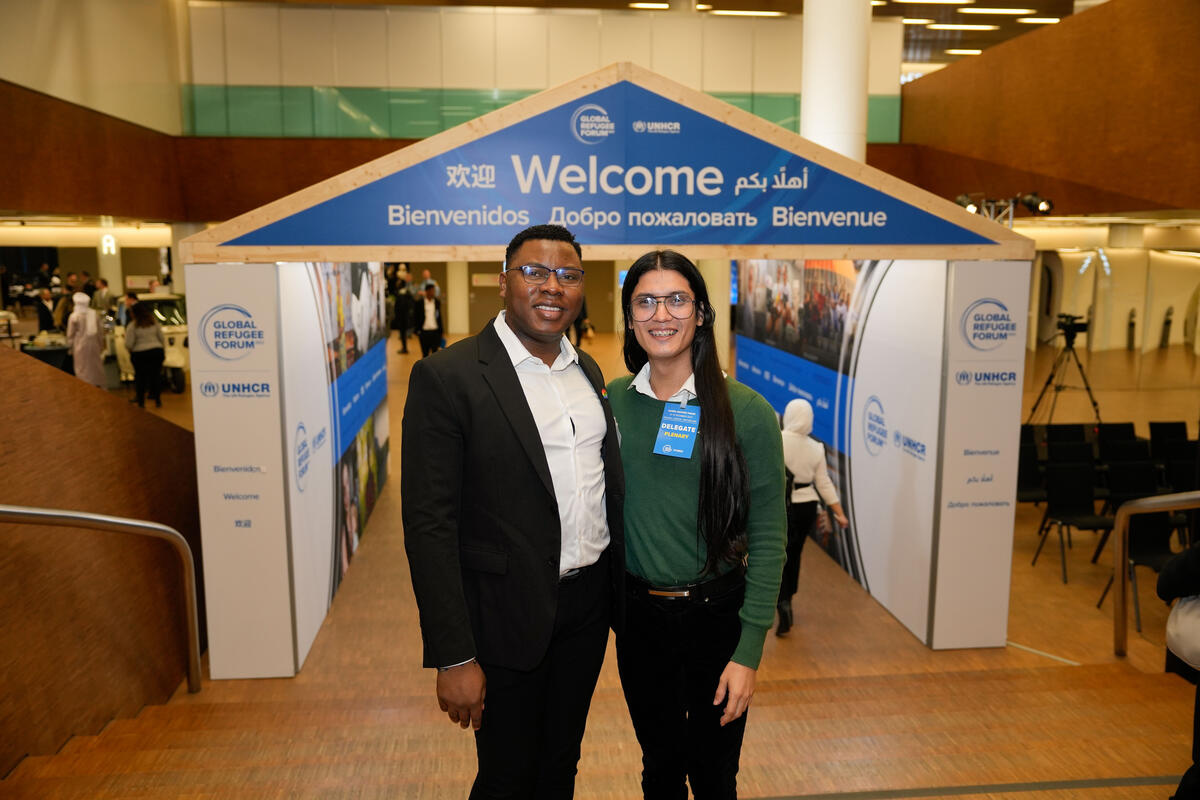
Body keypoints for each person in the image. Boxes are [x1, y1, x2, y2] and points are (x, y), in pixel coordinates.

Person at [401, 223, 624, 799]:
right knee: (506, 775)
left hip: (585, 609)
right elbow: (429, 525)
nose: (553, 286)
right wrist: (454, 655)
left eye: (568, 275)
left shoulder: (588, 372)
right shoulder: (447, 378)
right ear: (503, 283)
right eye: (535, 272)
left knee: (560, 765)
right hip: (503, 617)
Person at [606, 250, 785, 799]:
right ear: (631, 317)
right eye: (646, 301)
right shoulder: (611, 402)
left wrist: (748, 649)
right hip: (640, 622)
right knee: (658, 769)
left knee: (713, 776)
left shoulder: (745, 410)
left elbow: (771, 535)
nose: (662, 314)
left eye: (677, 300)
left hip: (716, 620)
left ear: (702, 313)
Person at [776, 398, 848, 636]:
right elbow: (823, 483)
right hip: (806, 506)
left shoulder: (776, 440)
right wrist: (838, 513)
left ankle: (780, 599)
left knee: (776, 554)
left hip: (780, 506)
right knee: (794, 554)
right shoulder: (816, 448)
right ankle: (789, 598)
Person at [125, 301, 166, 408]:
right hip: (156, 352)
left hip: (140, 354)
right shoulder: (154, 322)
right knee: (156, 377)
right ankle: (158, 400)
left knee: (140, 379)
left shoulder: (132, 326)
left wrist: (131, 351)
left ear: (133, 313)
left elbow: (129, 343)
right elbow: (161, 338)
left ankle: (141, 402)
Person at [65, 292, 105, 387]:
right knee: (95, 368)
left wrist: (70, 349)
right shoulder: (94, 314)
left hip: (80, 347)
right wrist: (101, 346)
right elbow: (100, 333)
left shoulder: (74, 316)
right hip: (94, 346)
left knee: (82, 369)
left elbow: (70, 335)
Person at [414, 283, 443, 357]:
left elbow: (439, 317)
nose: (433, 293)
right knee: (425, 355)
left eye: (434, 291)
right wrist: (417, 330)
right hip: (424, 333)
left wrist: (441, 330)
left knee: (435, 355)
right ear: (427, 291)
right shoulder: (419, 303)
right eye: (431, 291)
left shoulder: (437, 302)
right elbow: (416, 317)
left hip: (435, 332)